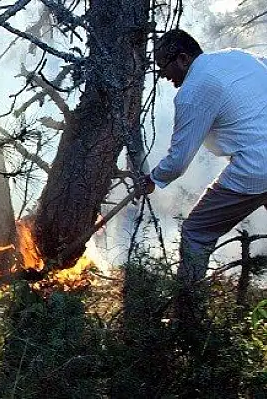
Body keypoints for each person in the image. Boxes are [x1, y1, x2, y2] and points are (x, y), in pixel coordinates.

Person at [139, 29, 267, 338]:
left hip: (256, 168)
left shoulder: (194, 89)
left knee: (196, 232)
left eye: (164, 66)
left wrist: (154, 178)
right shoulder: (237, 57)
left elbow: (179, 160)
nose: (163, 76)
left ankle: (188, 323)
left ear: (183, 58)